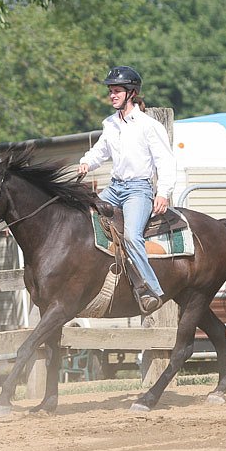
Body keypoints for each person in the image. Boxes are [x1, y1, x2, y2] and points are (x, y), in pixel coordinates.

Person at [78, 66, 176, 313]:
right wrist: (86, 162)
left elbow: (165, 159)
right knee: (81, 217)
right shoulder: (110, 124)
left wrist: (163, 192)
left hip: (137, 189)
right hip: (114, 188)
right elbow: (100, 151)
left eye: (117, 91)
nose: (112, 95)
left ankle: (151, 288)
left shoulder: (148, 125)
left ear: (131, 93)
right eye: (111, 91)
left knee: (132, 236)